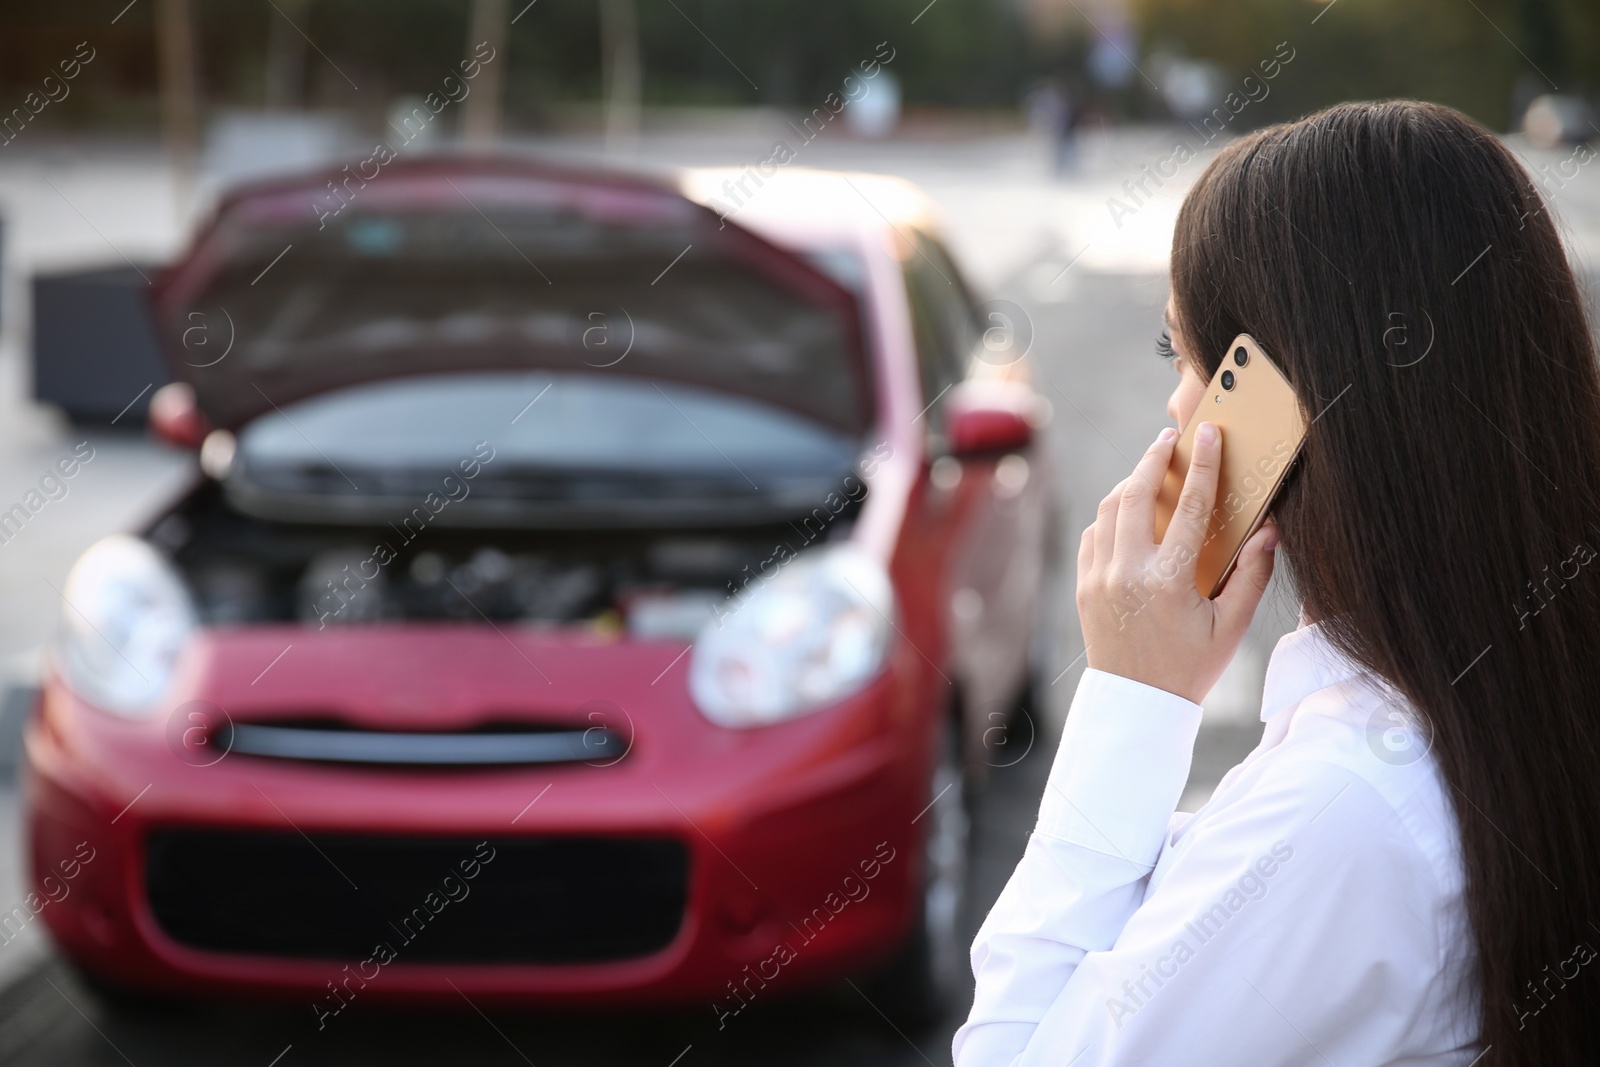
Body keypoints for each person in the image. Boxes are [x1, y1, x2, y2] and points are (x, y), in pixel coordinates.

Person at [955, 100, 1600, 1066]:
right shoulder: (1499, 693)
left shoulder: (1350, 807)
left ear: (1273, 401)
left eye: (1186, 357)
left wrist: (1132, 696)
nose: (1177, 413)